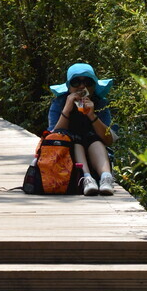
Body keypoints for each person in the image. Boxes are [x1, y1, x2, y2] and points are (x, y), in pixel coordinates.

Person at [48, 62, 117, 196]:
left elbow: (109, 140)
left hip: (97, 157)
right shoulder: (59, 103)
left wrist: (92, 115)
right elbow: (53, 136)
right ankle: (86, 178)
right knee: (76, 141)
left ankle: (106, 177)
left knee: (93, 139)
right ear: (69, 87)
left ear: (93, 86)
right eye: (76, 82)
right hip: (69, 158)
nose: (82, 86)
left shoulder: (100, 103)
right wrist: (67, 109)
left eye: (87, 82)